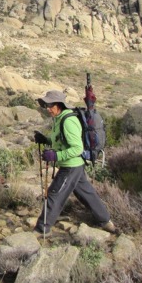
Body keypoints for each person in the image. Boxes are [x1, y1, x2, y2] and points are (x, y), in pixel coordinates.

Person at [33, 90, 117, 235]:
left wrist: (56, 156)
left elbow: (77, 148)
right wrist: (46, 140)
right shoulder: (59, 119)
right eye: (46, 105)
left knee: (54, 194)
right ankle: (107, 223)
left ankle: (41, 230)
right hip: (73, 165)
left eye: (50, 105)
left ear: (59, 105)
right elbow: (61, 140)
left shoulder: (68, 121)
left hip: (71, 165)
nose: (47, 108)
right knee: (87, 194)